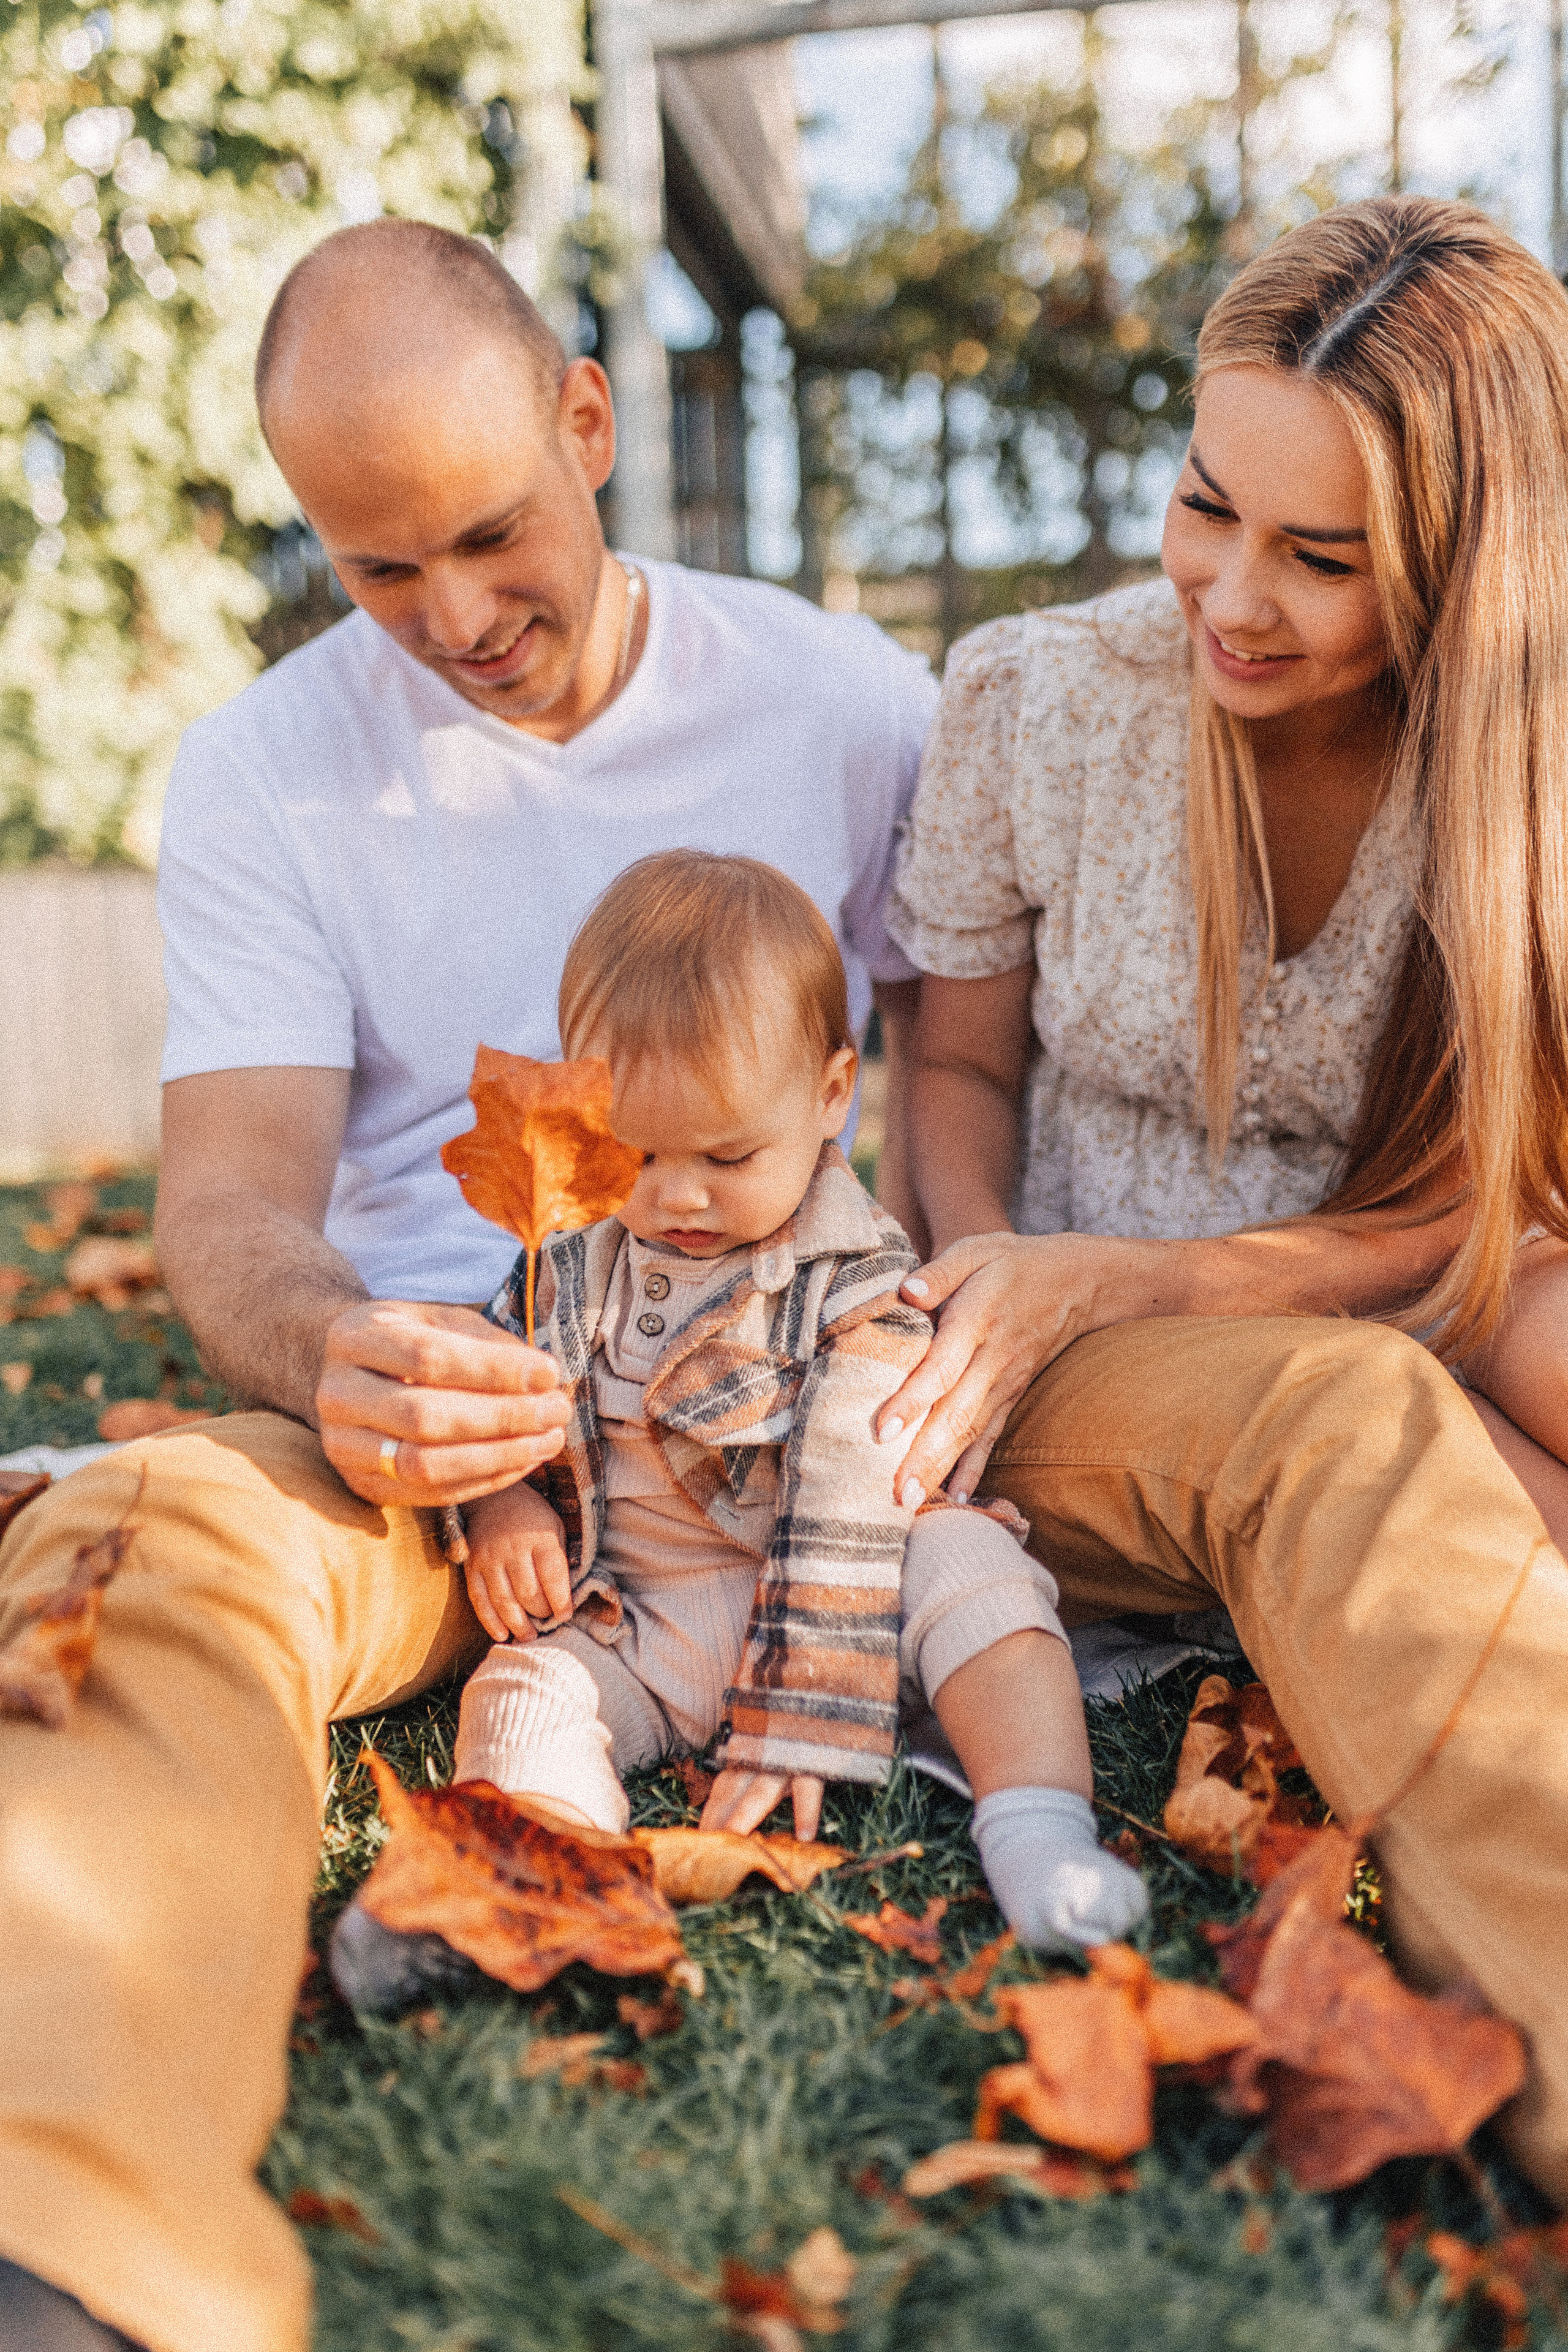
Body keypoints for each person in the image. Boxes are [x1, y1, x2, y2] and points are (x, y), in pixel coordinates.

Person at [0, 197, 1565, 2352]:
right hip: (486, 1455)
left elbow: (954, 1067)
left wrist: (978, 1300)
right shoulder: (265, 775)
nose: (452, 616)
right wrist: (342, 1351)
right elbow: (231, 1212)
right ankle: (67, 2225)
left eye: (487, 534)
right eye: (377, 568)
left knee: (1353, 1415)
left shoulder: (844, 701)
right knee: (144, 1526)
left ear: (587, 419)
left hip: (886, 1387)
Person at [870, 194, 1568, 2185]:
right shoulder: (1035, 697)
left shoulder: (1523, 750)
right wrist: (1005, 1266)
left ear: (1461, 568)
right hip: (1102, 1349)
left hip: (1367, 1284)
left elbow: (1490, 1187)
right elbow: (959, 1064)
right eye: (1207, 506)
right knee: (1405, 1438)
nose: (1233, 596)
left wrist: (1184, 1284)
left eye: (1322, 557)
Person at [330, 853, 1145, 2016]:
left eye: (727, 1157)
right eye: (638, 1152)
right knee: (518, 1691)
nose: (676, 1198)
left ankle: (1039, 1826)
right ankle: (532, 1878)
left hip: (846, 1595)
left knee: (976, 1575)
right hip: (644, 1619)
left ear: (830, 1097)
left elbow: (852, 1492)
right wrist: (502, 1498)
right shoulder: (563, 1261)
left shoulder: (855, 1280)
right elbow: (503, 1389)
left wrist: (807, 1700)